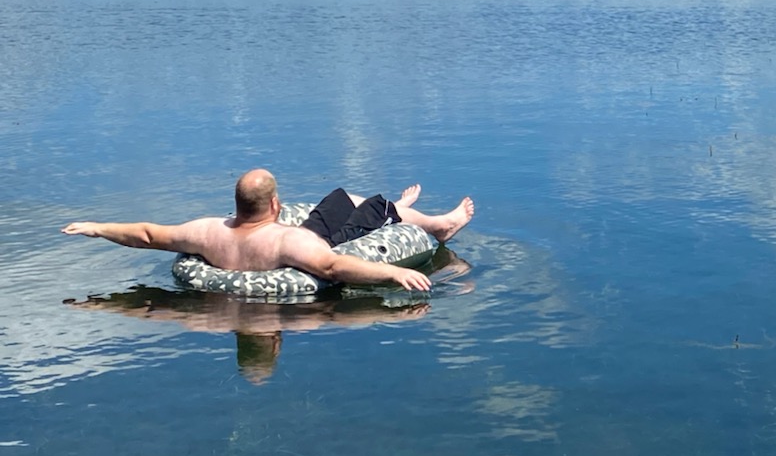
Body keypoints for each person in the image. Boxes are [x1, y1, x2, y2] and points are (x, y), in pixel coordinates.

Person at [62, 168, 474, 292]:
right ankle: (439, 226)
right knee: (372, 206)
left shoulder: (208, 232)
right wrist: (394, 272)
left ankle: (402, 208)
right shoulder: (289, 238)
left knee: (345, 197)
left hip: (265, 246)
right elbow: (333, 267)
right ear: (276, 206)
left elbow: (148, 236)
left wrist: (97, 227)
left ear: (236, 204)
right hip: (317, 244)